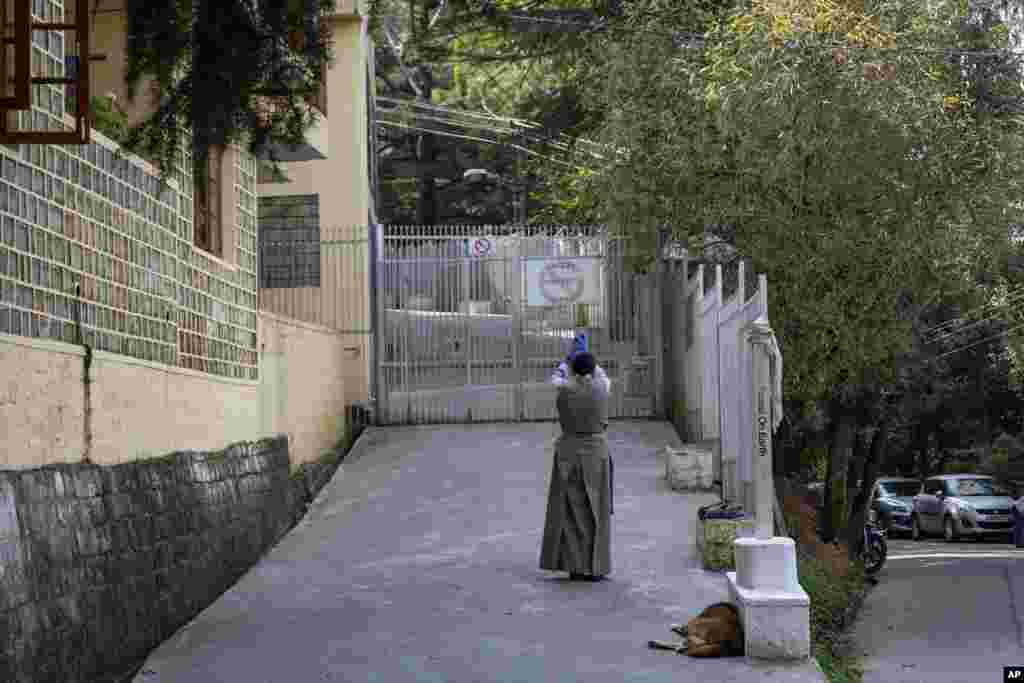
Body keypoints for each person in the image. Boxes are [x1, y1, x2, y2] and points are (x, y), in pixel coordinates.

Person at [539, 334, 613, 581]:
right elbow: (598, 372)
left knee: (571, 512)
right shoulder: (601, 388)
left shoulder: (564, 391)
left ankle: (575, 566)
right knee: (596, 512)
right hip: (595, 454)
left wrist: (568, 360)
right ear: (592, 369)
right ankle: (596, 567)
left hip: (568, 453)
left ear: (572, 369)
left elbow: (557, 377)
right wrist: (586, 358)